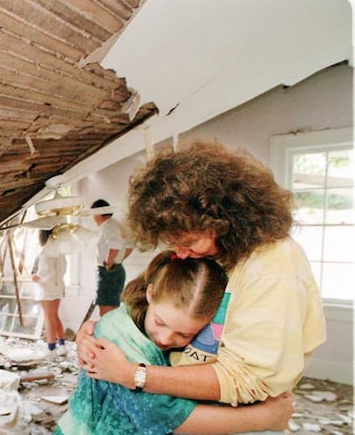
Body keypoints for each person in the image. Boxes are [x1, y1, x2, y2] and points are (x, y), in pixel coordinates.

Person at [76, 141, 326, 412]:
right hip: (179, 405)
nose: (181, 254)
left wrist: (133, 375)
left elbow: (246, 379)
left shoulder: (274, 267)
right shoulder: (208, 252)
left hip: (235, 419)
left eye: (190, 242)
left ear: (223, 220)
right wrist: (98, 334)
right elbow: (148, 309)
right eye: (173, 243)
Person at [57, 250, 294, 435]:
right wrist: (266, 417)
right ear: (150, 294)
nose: (166, 338)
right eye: (160, 321)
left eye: (184, 334)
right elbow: (162, 416)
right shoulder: (115, 336)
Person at [83, 199, 132, 321]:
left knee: (105, 311)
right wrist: (117, 260)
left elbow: (115, 245)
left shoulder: (108, 226)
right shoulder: (115, 225)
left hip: (107, 271)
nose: (93, 217)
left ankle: (106, 336)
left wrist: (109, 262)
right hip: (115, 269)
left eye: (94, 214)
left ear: (99, 213)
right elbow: (129, 246)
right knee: (112, 308)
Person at [32, 228, 68, 356]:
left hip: (46, 288)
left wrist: (36, 277)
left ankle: (51, 348)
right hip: (58, 287)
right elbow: (63, 269)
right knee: (55, 316)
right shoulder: (60, 251)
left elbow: (43, 272)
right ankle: (62, 346)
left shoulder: (44, 252)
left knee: (49, 318)